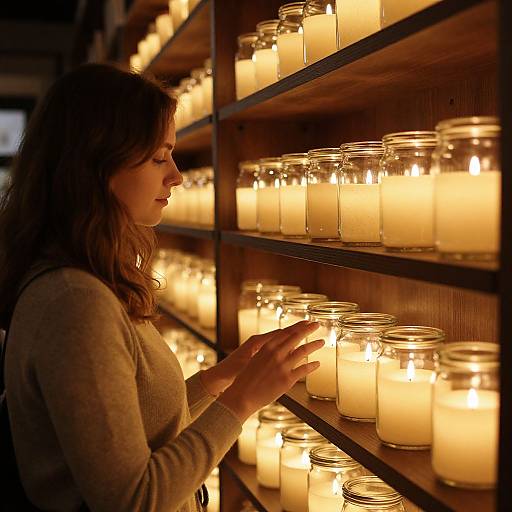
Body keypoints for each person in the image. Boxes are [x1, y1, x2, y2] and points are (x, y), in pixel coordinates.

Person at [0, 63, 323, 512]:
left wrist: (218, 380)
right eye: (158, 158)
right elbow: (133, 499)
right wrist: (243, 399)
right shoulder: (74, 303)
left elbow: (127, 428)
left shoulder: (84, 282)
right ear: (97, 164)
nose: (176, 175)